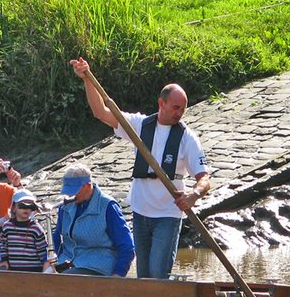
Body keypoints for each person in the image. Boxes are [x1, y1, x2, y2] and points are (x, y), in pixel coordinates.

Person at [70, 57, 210, 280]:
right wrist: (87, 77)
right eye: (175, 107)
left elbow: (204, 179)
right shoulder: (138, 125)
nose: (179, 113)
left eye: (182, 109)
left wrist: (194, 195)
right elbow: (101, 112)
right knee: (143, 274)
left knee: (157, 272)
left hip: (167, 214)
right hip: (141, 212)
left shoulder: (187, 138)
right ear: (161, 104)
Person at [52, 164, 134, 277]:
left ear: (88, 185)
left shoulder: (108, 206)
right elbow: (57, 236)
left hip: (98, 267)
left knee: (65, 281)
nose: (70, 194)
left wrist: (118, 274)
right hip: (67, 265)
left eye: (74, 190)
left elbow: (126, 246)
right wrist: (59, 258)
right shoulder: (65, 206)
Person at [0, 189, 50, 273]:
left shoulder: (35, 228)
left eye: (30, 206)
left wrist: (46, 265)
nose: (26, 209)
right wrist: (4, 260)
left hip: (34, 270)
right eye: (22, 206)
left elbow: (42, 250)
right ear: (13, 208)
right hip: (14, 269)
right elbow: (3, 246)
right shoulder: (7, 227)